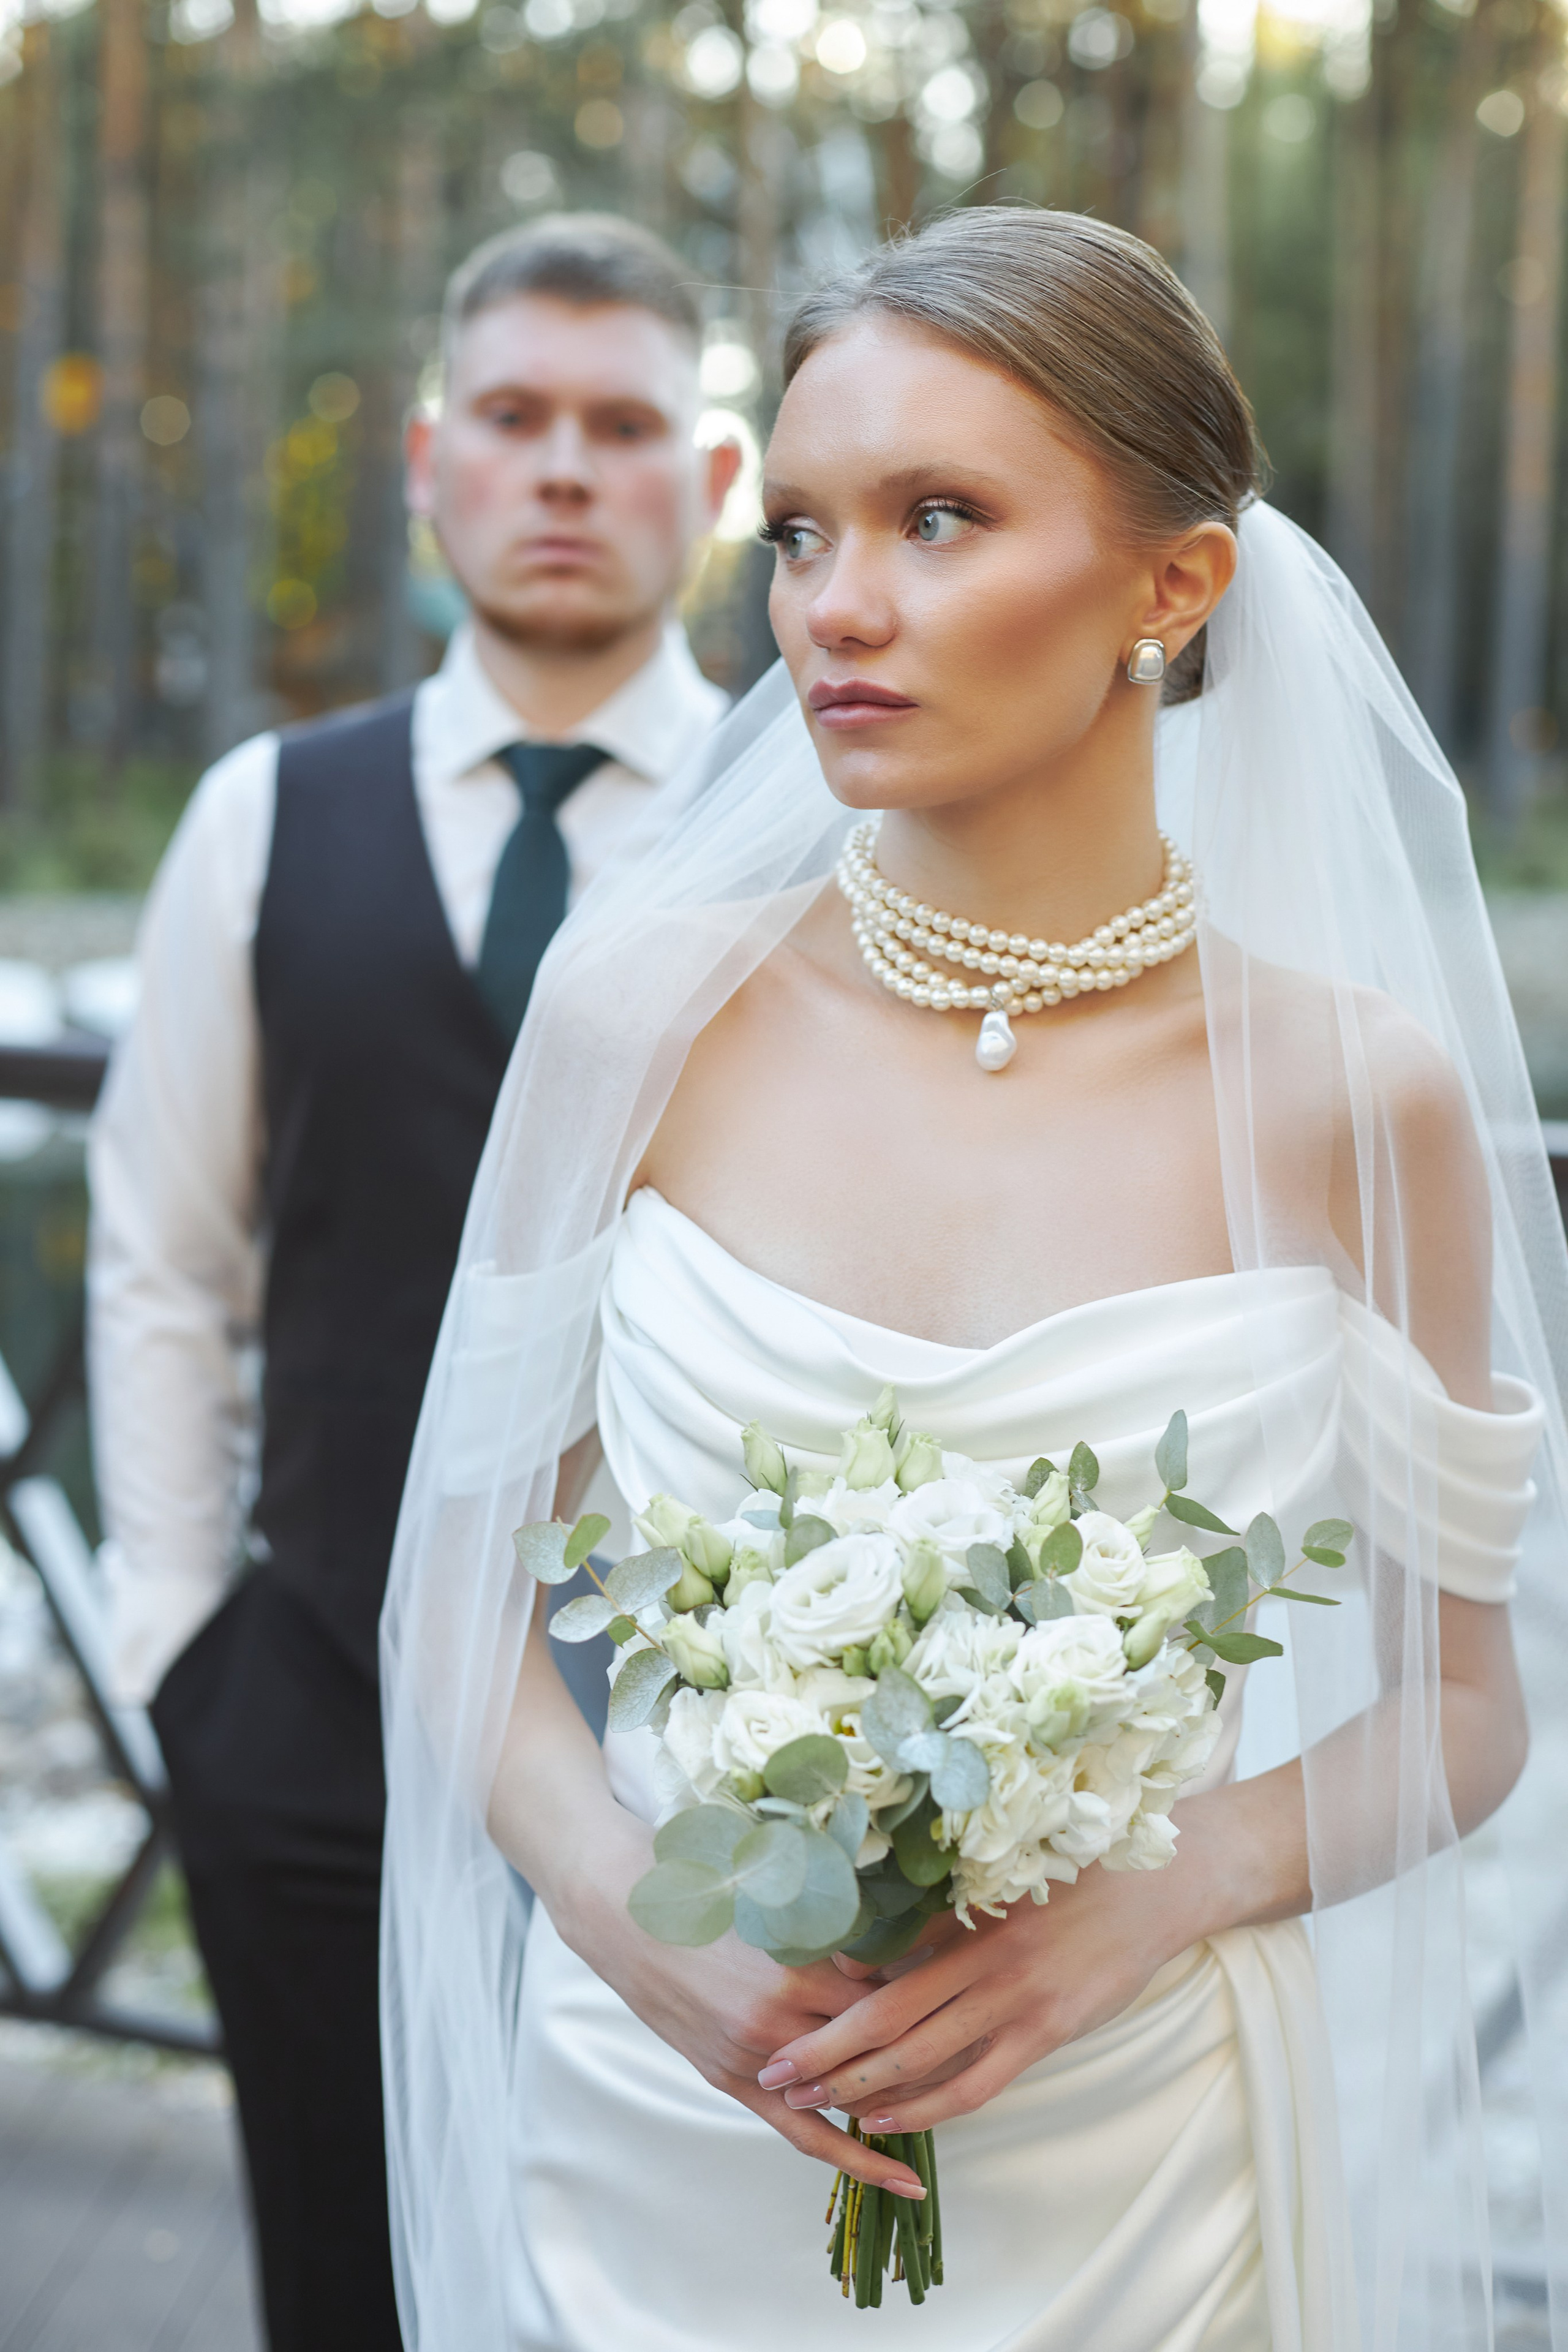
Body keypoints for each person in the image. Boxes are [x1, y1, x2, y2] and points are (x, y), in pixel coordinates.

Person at [378, 209, 1568, 2351]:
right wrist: (649, 1940)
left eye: (940, 521)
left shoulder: (1351, 1095)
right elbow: (460, 1602)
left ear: (1173, 584)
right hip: (660, 2126)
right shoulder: (644, 1009)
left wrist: (1164, 1887)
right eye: (809, 531)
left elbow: (1466, 1705)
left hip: (1123, 2157)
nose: (839, 606)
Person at [86, 212, 739, 2352]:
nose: (567, 471)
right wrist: (184, 1652)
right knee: (342, 2295)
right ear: (434, 464)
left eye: (625, 425)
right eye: (520, 421)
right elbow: (167, 1271)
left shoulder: (818, 809)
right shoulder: (265, 817)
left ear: (716, 489)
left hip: (719, 1774)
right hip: (313, 1720)